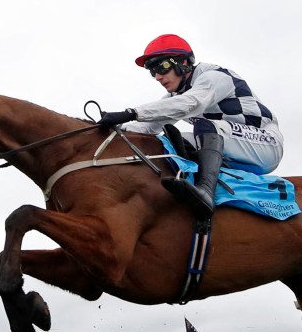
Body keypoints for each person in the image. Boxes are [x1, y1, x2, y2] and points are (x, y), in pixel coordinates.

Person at [97, 34, 284, 219]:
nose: (158, 77)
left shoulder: (214, 77)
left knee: (206, 126)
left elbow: (190, 103)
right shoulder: (177, 95)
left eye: (161, 67)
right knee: (166, 141)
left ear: (184, 62)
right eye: (152, 71)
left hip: (266, 145)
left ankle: (204, 193)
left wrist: (130, 112)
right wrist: (109, 129)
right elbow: (148, 128)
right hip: (233, 149)